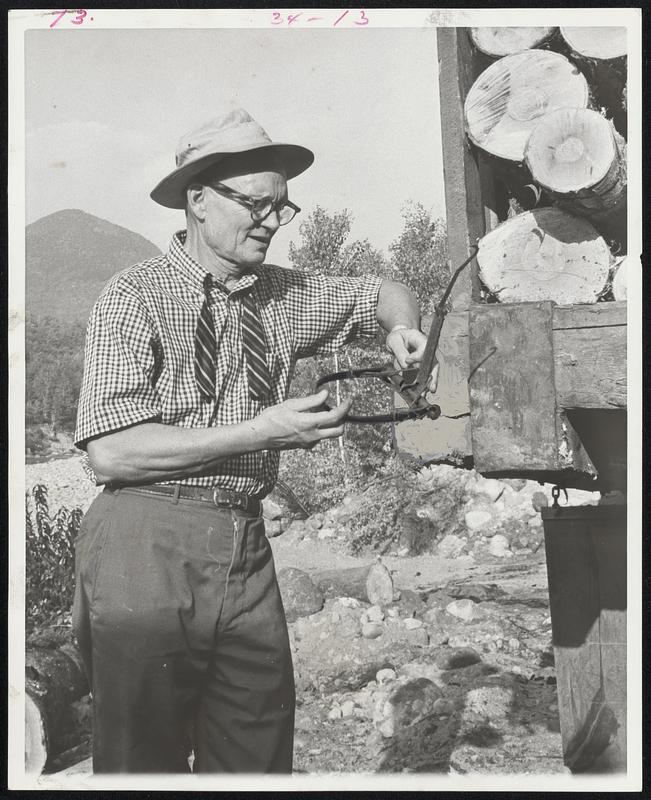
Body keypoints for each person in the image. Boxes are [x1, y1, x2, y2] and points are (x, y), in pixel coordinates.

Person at [73, 108, 437, 774]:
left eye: (282, 207)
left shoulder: (280, 295)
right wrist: (261, 430)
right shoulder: (132, 297)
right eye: (257, 204)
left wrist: (400, 327)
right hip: (143, 542)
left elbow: (384, 291)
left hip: (242, 547)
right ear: (198, 200)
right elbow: (110, 450)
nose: (271, 221)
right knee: (139, 763)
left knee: (255, 752)